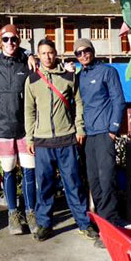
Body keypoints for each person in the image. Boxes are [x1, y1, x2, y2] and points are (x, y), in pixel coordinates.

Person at [24, 38, 101, 247]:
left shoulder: (68, 76)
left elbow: (78, 104)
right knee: (45, 186)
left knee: (73, 183)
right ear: (37, 56)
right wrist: (29, 137)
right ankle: (44, 223)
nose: (47, 57)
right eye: (43, 53)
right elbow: (29, 111)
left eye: (50, 52)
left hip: (67, 138)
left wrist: (80, 128)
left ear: (55, 53)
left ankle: (84, 224)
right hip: (42, 141)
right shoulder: (31, 80)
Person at [73, 38, 126, 227]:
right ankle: (100, 221)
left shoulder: (107, 72)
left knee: (107, 177)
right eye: (78, 53)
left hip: (104, 132)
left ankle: (111, 220)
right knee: (93, 179)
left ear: (92, 51)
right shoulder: (79, 77)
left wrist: (113, 128)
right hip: (88, 135)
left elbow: (118, 100)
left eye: (86, 50)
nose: (83, 55)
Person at [0, 24, 36, 235]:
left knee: (29, 172)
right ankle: (13, 214)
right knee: (8, 172)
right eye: (6, 39)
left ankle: (31, 212)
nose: (10, 43)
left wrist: (30, 54)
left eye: (14, 39)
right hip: (3, 128)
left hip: (25, 128)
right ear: (0, 42)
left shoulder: (26, 62)